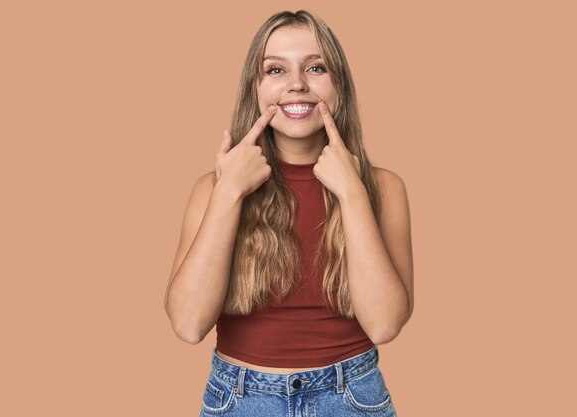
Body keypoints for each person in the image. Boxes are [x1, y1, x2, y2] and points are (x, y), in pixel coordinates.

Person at [164, 9, 414, 416]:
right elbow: (188, 325)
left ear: (339, 87)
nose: (297, 84)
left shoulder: (383, 188)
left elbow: (385, 325)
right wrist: (229, 192)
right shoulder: (212, 189)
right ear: (255, 88)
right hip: (240, 399)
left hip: (351, 397)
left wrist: (352, 193)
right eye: (275, 70)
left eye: (316, 67)